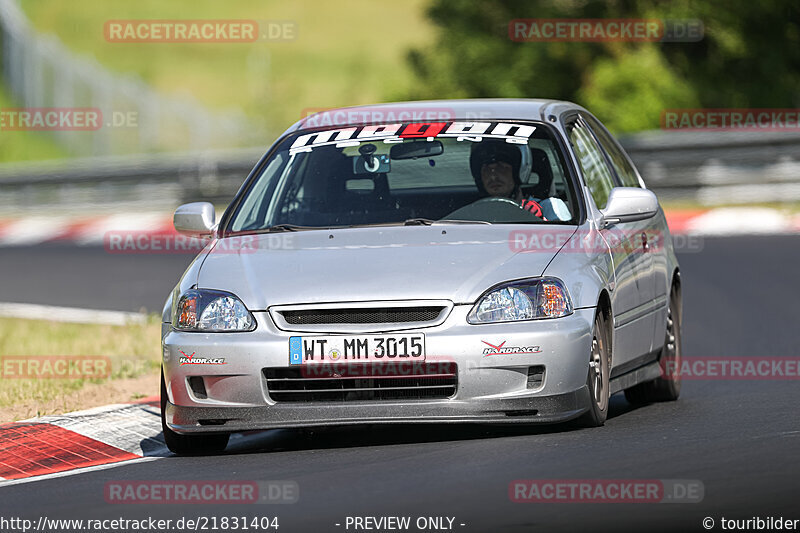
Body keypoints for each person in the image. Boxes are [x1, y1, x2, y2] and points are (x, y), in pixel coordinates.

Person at [469, 141, 571, 221]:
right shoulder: (471, 215)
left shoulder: (550, 207)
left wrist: (540, 221)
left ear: (518, 171)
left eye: (501, 168)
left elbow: (568, 242)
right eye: (486, 170)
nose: (493, 177)